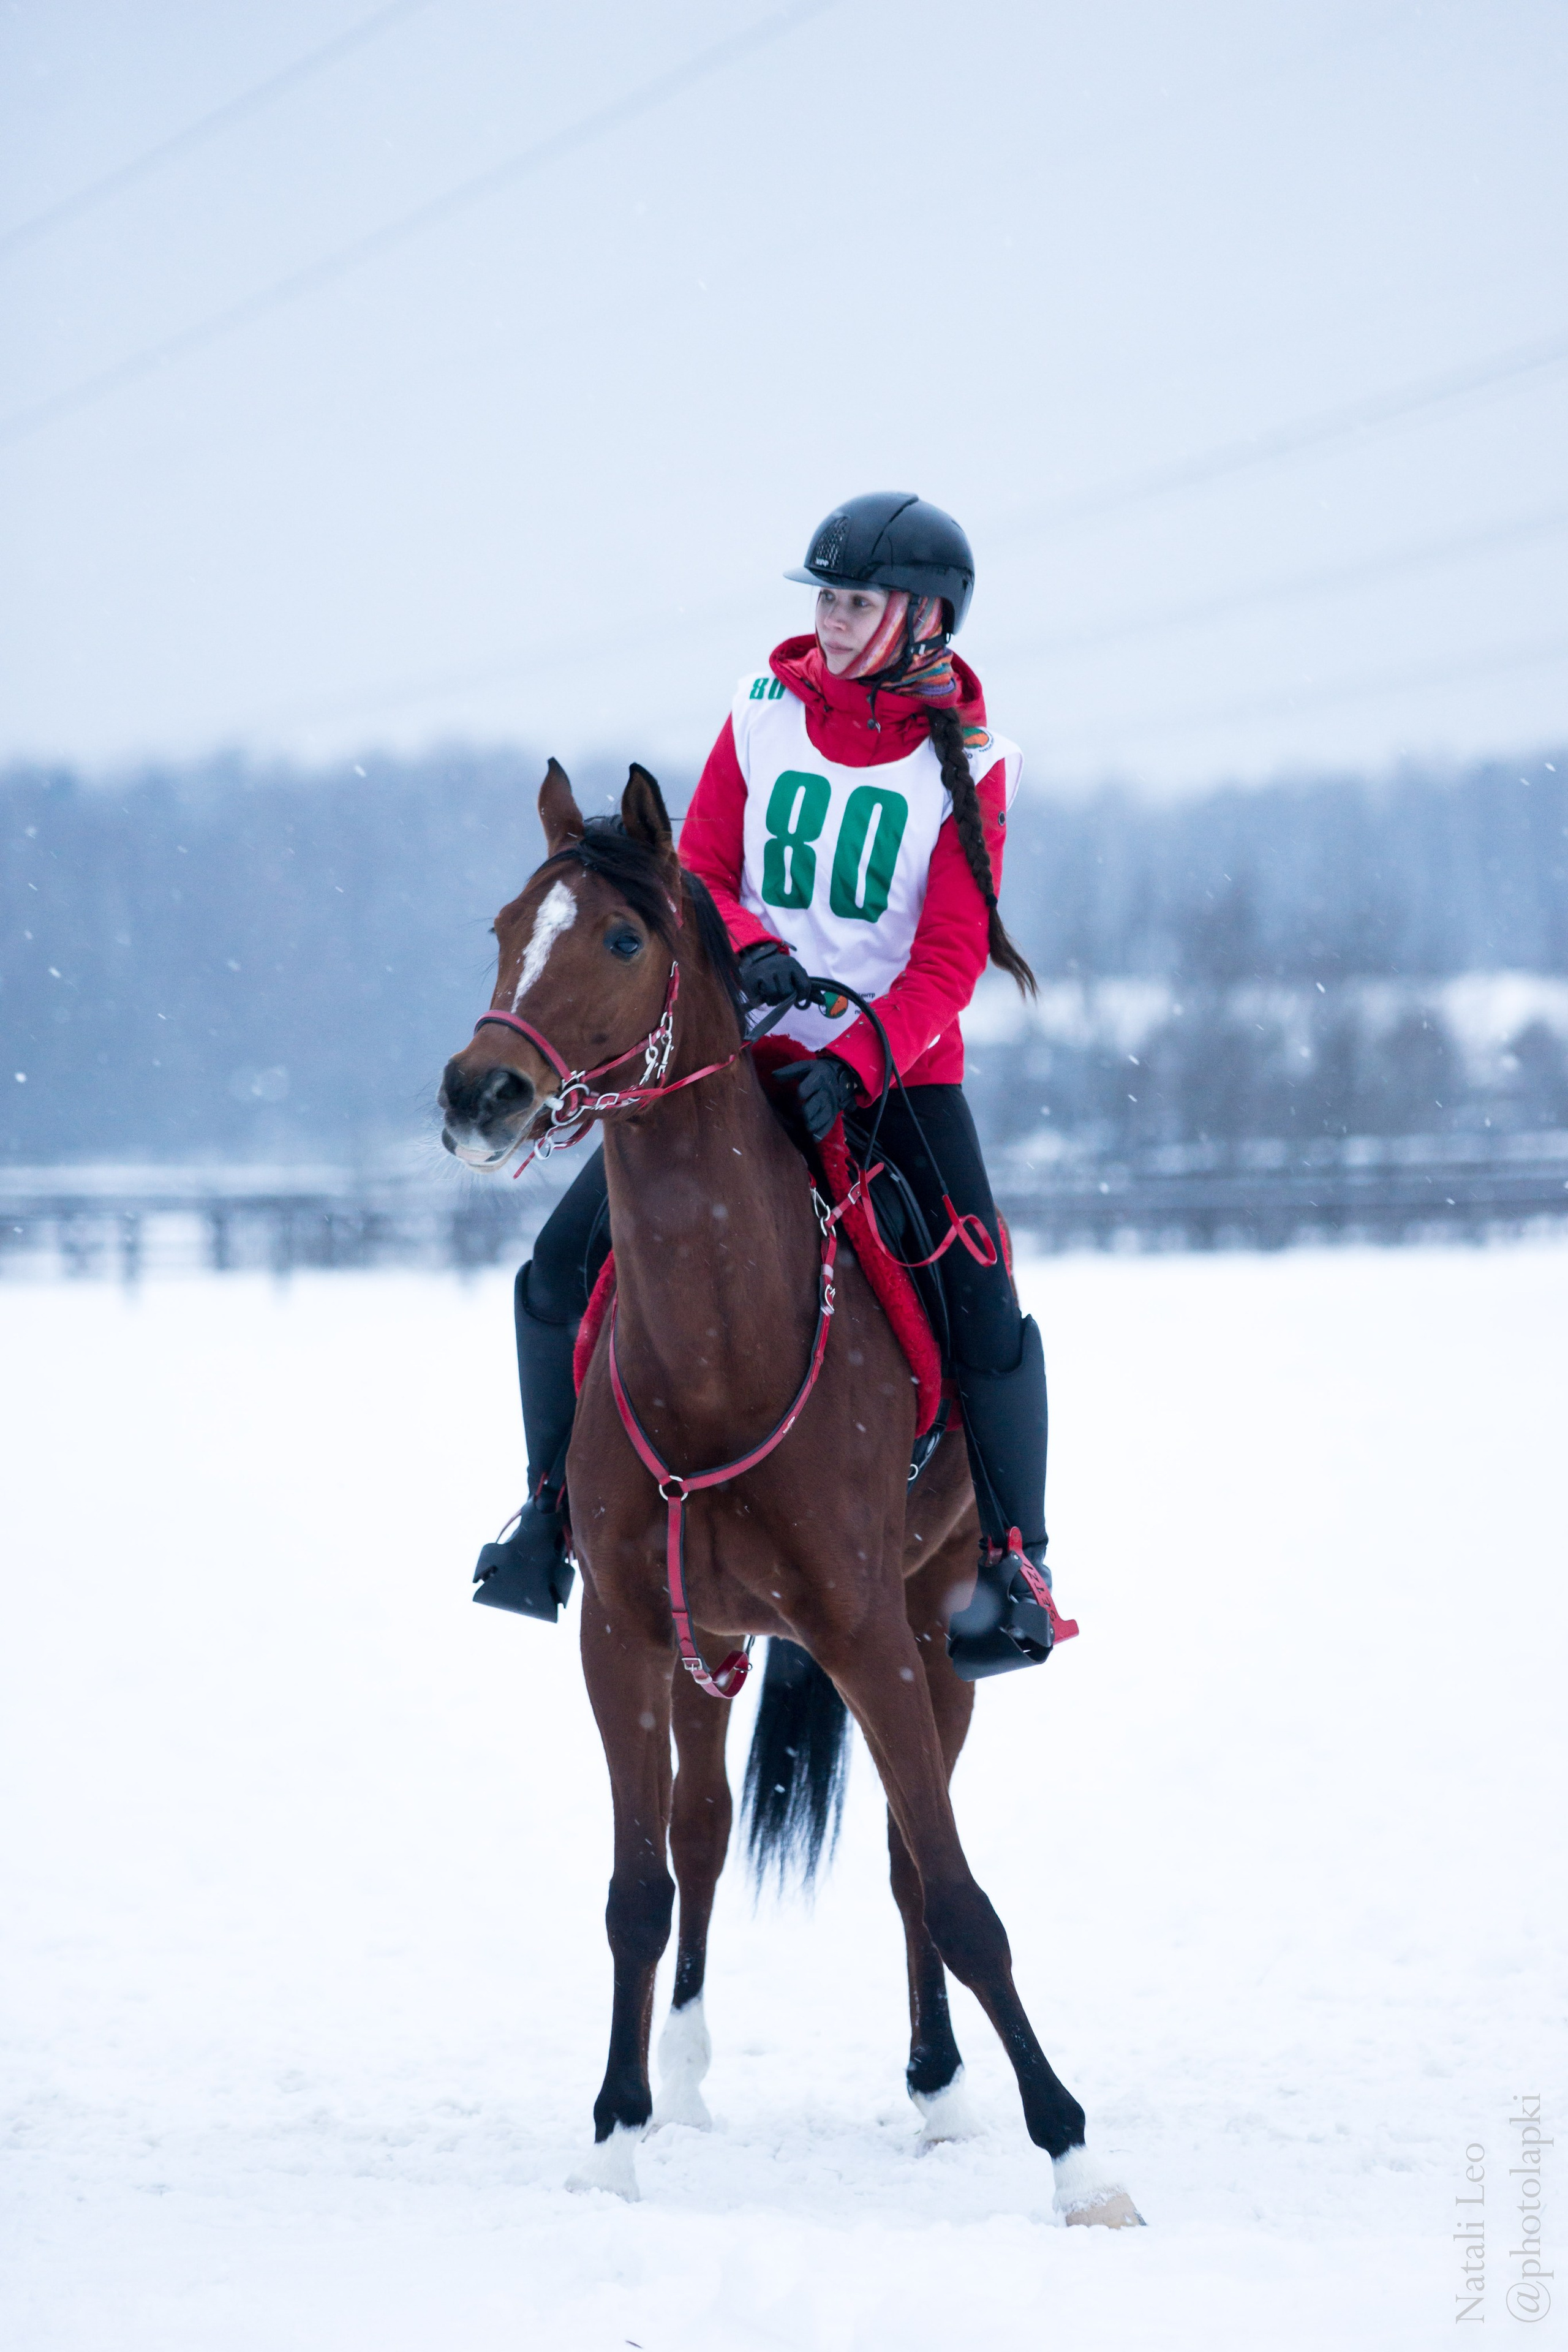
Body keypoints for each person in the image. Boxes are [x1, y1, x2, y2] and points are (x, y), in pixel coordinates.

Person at [473, 492, 1058, 1678]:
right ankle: (546, 1516)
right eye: (825, 600)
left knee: (985, 1304)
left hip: (893, 1071)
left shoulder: (976, 765)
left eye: (855, 603)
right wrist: (747, 949)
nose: (833, 623)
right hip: (722, 1053)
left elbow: (948, 954)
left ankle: (1013, 1558)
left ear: (923, 617)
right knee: (555, 1276)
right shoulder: (761, 709)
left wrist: (854, 1062)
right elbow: (700, 867)